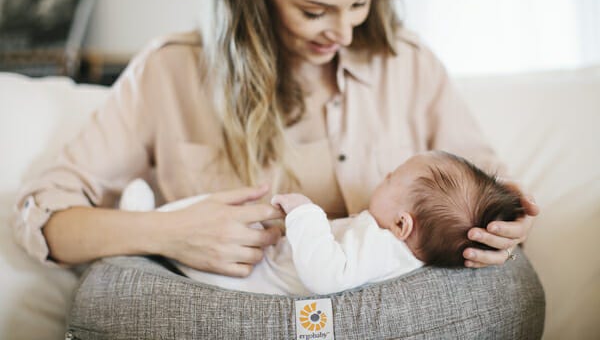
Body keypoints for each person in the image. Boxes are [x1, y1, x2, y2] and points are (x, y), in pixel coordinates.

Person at [12, 0, 538, 309]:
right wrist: (169, 232)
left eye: (359, 3)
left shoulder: (408, 64)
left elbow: (489, 193)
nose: (344, 32)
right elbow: (44, 220)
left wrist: (506, 229)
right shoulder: (169, 72)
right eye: (314, 11)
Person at [120, 151, 524, 296]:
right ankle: (146, 225)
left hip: (247, 277)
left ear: (403, 224)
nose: (380, 178)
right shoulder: (398, 252)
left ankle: (141, 226)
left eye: (389, 179)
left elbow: (326, 275)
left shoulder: (383, 246)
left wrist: (305, 212)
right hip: (269, 261)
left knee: (219, 220)